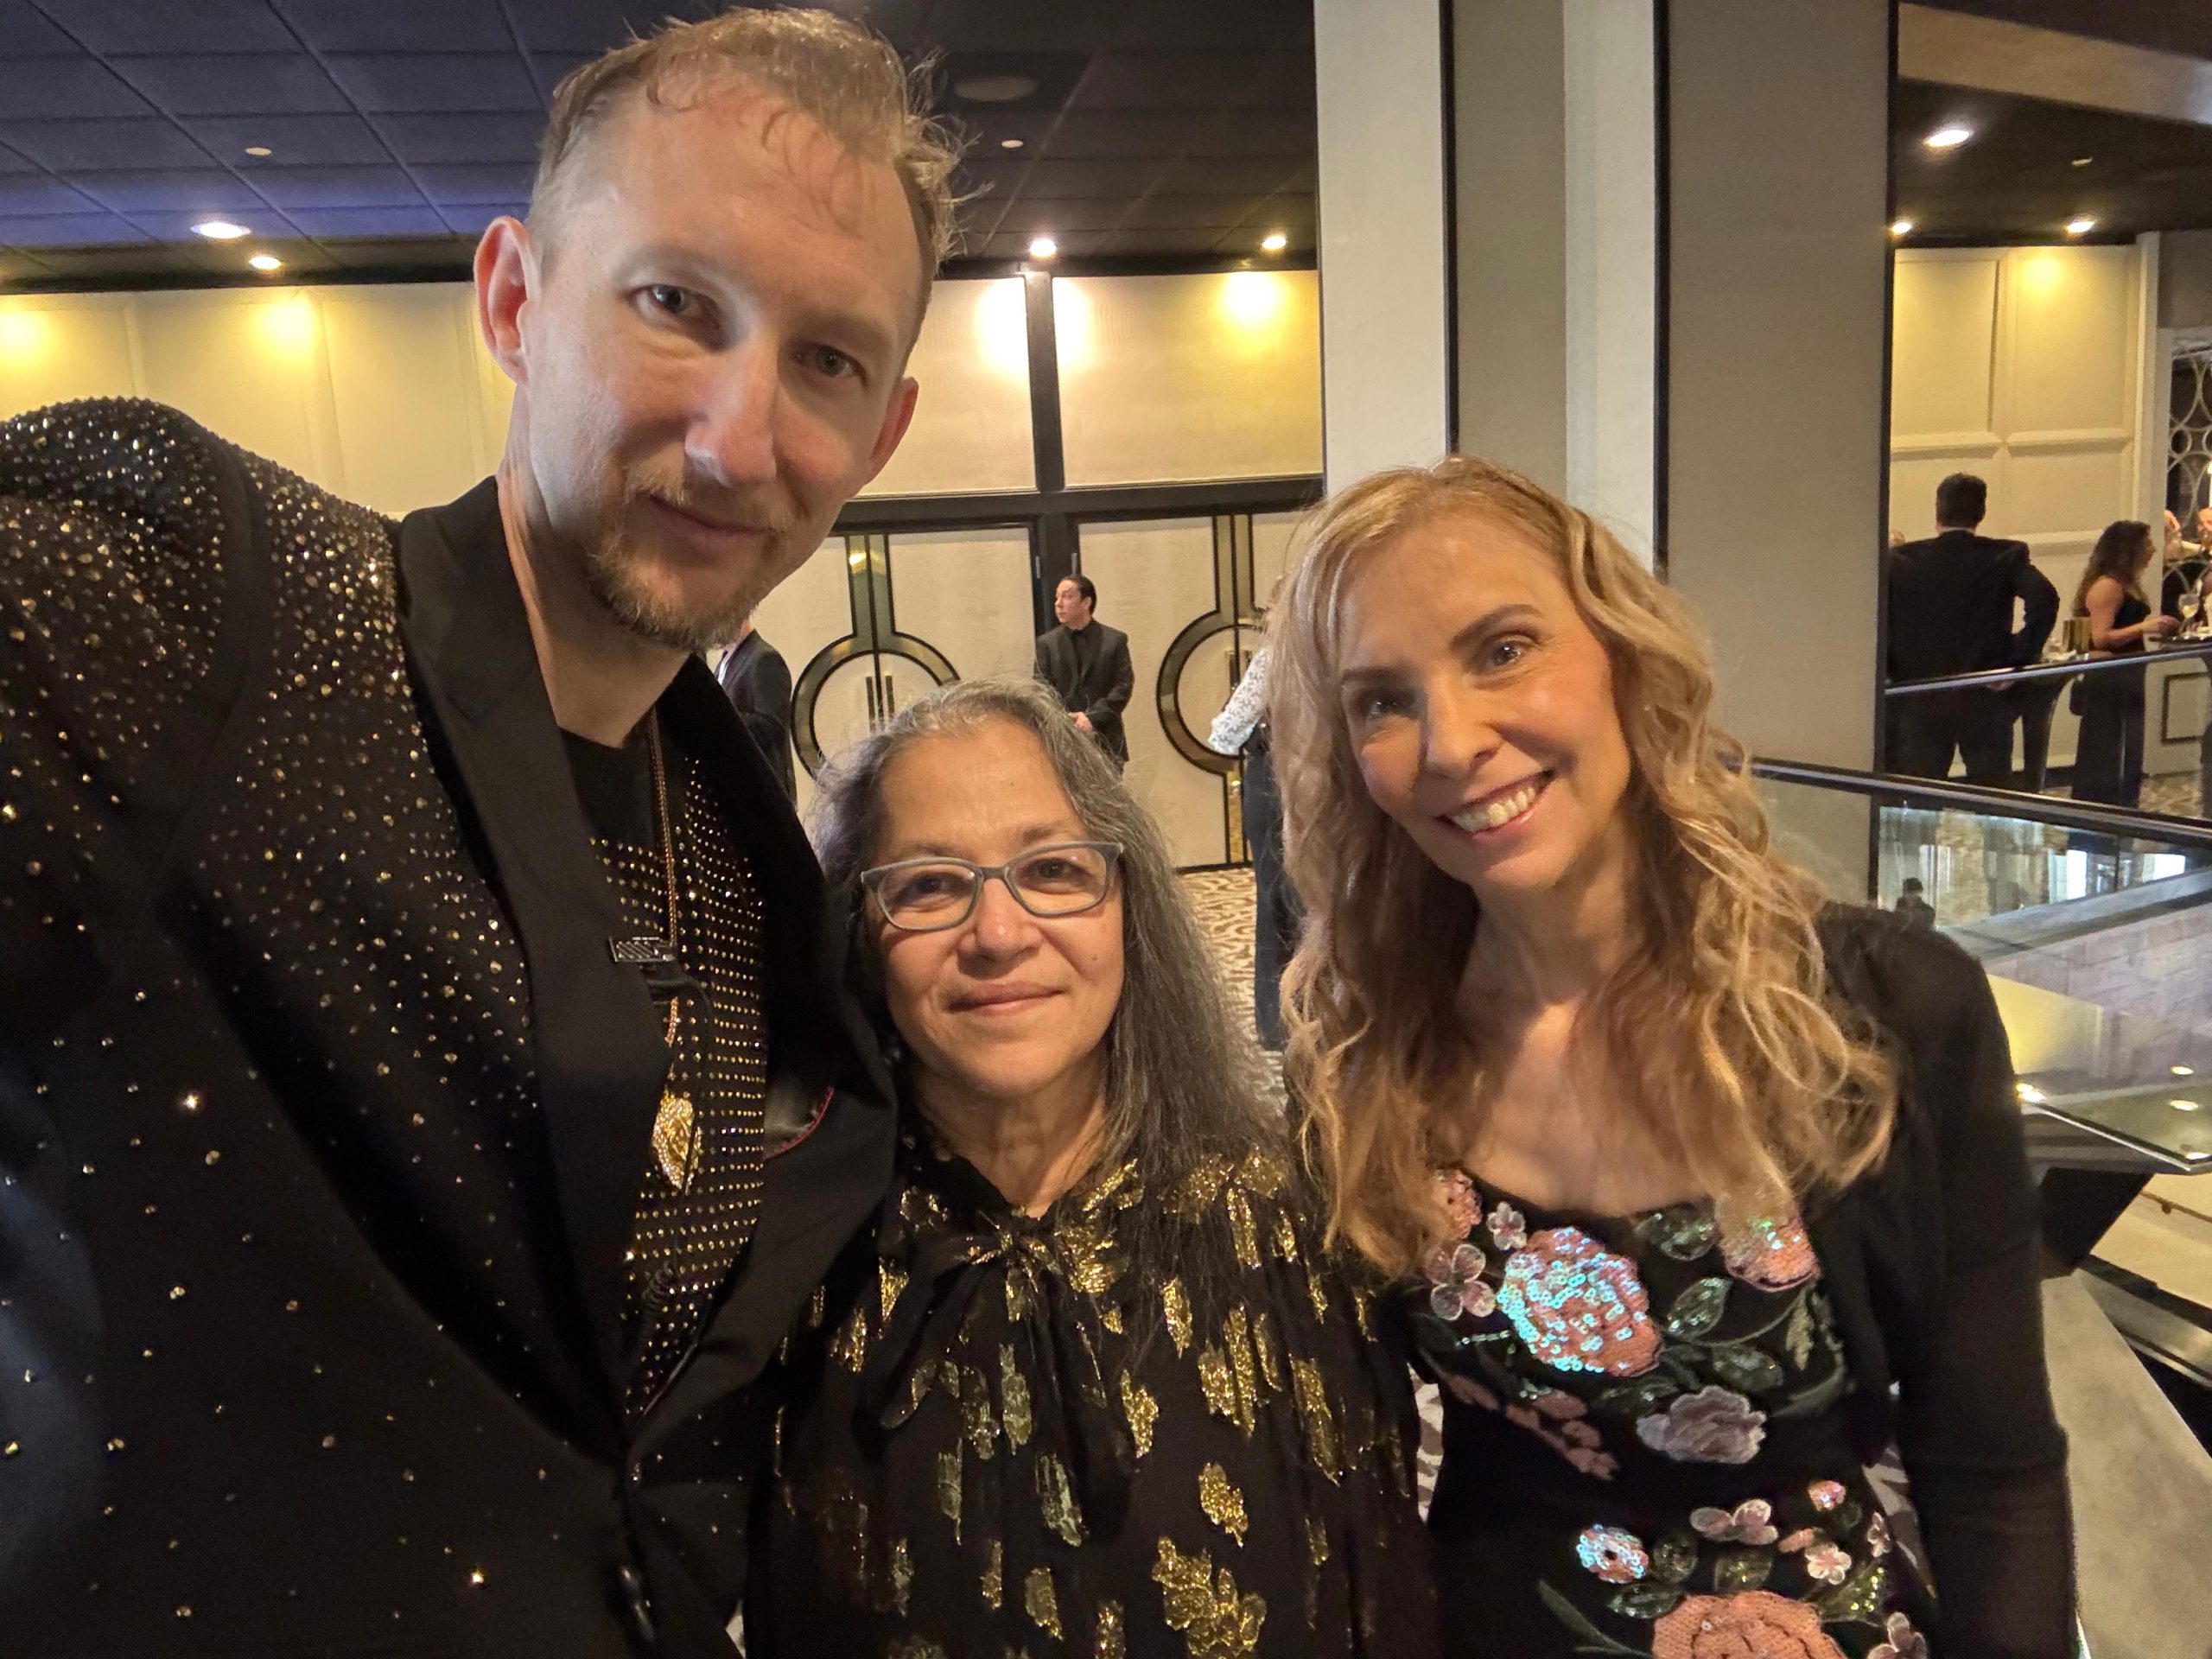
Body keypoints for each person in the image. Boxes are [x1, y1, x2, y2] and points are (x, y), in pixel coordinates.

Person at [0, 12, 957, 1655]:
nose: (738, 440)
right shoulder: (204, 609)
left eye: (826, 362)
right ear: (515, 301)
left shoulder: (741, 860)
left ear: (882, 432)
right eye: (675, 304)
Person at [1267, 456, 2072, 1658]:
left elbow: (1993, 1478)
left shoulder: (1881, 1012)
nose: (1451, 742)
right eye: (1382, 700)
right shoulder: (1370, 1054)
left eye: (1502, 650)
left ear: (1622, 654)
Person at [749, 677, 1438, 1658]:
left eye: (1054, 870)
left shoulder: (1288, 1236)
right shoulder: (795, 1264)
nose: (998, 934)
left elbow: (1375, 1590)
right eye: (930, 884)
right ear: (860, 929)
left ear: (1126, 905)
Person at [1885, 472, 2057, 784]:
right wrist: (2016, 657)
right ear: (1981, 512)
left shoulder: (1901, 561)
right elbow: (2045, 600)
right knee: (1991, 792)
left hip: (1921, 693)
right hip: (1983, 691)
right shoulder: (2004, 556)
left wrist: (1893, 667)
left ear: (1938, 510)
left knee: (1920, 793)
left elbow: (1879, 618)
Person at [1208, 638, 1300, 1050]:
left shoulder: (1277, 655)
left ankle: (1279, 1022)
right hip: (1328, 787)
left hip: (1276, 785)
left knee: (1277, 901)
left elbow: (1225, 734)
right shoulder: (1346, 645)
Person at [2069, 519, 2176, 807]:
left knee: (2127, 749)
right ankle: (2103, 809)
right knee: (2108, 750)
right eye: (2147, 543)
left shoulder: (2127, 584)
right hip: (2109, 679)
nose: (2153, 549)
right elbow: (2100, 637)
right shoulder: (2108, 586)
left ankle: (2124, 807)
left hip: (2126, 676)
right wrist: (2144, 627)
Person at [1035, 574, 1135, 771]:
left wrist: (1091, 718)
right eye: (1057, 597)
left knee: (1108, 790)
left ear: (1086, 602)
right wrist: (1067, 719)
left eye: (1067, 596)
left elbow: (1123, 686)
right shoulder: (1046, 643)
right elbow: (1041, 687)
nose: (1058, 604)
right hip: (1062, 739)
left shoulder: (1114, 640)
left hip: (1105, 738)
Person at [718, 618, 798, 799]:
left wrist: (718, 716)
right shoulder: (727, 660)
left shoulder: (764, 658)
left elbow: (773, 726)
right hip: (738, 787)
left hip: (760, 790)